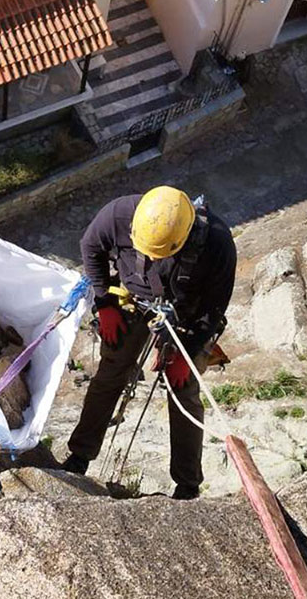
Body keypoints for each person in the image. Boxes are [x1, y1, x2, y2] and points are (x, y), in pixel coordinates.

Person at [62, 186, 236, 499]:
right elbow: (91, 249)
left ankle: (187, 484)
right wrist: (105, 304)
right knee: (111, 372)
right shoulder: (119, 215)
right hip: (133, 301)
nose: (153, 258)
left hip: (188, 316)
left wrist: (189, 352)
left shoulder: (217, 243)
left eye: (161, 253)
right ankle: (79, 455)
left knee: (184, 392)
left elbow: (214, 306)